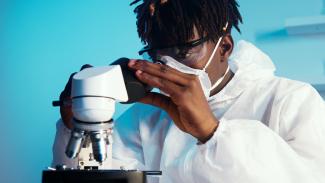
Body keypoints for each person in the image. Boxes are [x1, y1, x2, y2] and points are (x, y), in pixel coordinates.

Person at [52, 0, 325, 182]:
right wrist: (77, 123)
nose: (169, 64)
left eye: (184, 51)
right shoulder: (145, 116)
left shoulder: (291, 101)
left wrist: (210, 130)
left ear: (225, 47)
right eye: (159, 53)